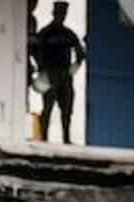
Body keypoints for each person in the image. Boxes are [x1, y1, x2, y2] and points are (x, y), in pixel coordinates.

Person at [35, 1, 83, 143]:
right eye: (59, 13)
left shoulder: (69, 34)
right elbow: (37, 52)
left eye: (63, 14)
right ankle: (44, 137)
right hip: (50, 73)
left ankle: (66, 138)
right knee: (47, 107)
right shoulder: (45, 33)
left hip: (64, 73)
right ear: (53, 13)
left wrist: (73, 70)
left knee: (67, 108)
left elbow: (80, 53)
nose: (61, 16)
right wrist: (42, 70)